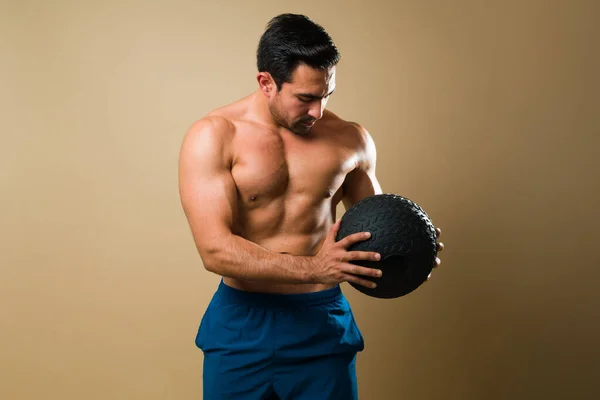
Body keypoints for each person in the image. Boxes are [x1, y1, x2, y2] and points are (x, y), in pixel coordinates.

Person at [178, 13, 444, 400]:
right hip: (242, 321)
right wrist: (315, 267)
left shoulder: (350, 140)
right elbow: (215, 249)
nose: (317, 112)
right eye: (305, 98)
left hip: (320, 319)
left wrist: (413, 248)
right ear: (266, 83)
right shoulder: (215, 137)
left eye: (326, 95)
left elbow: (374, 230)